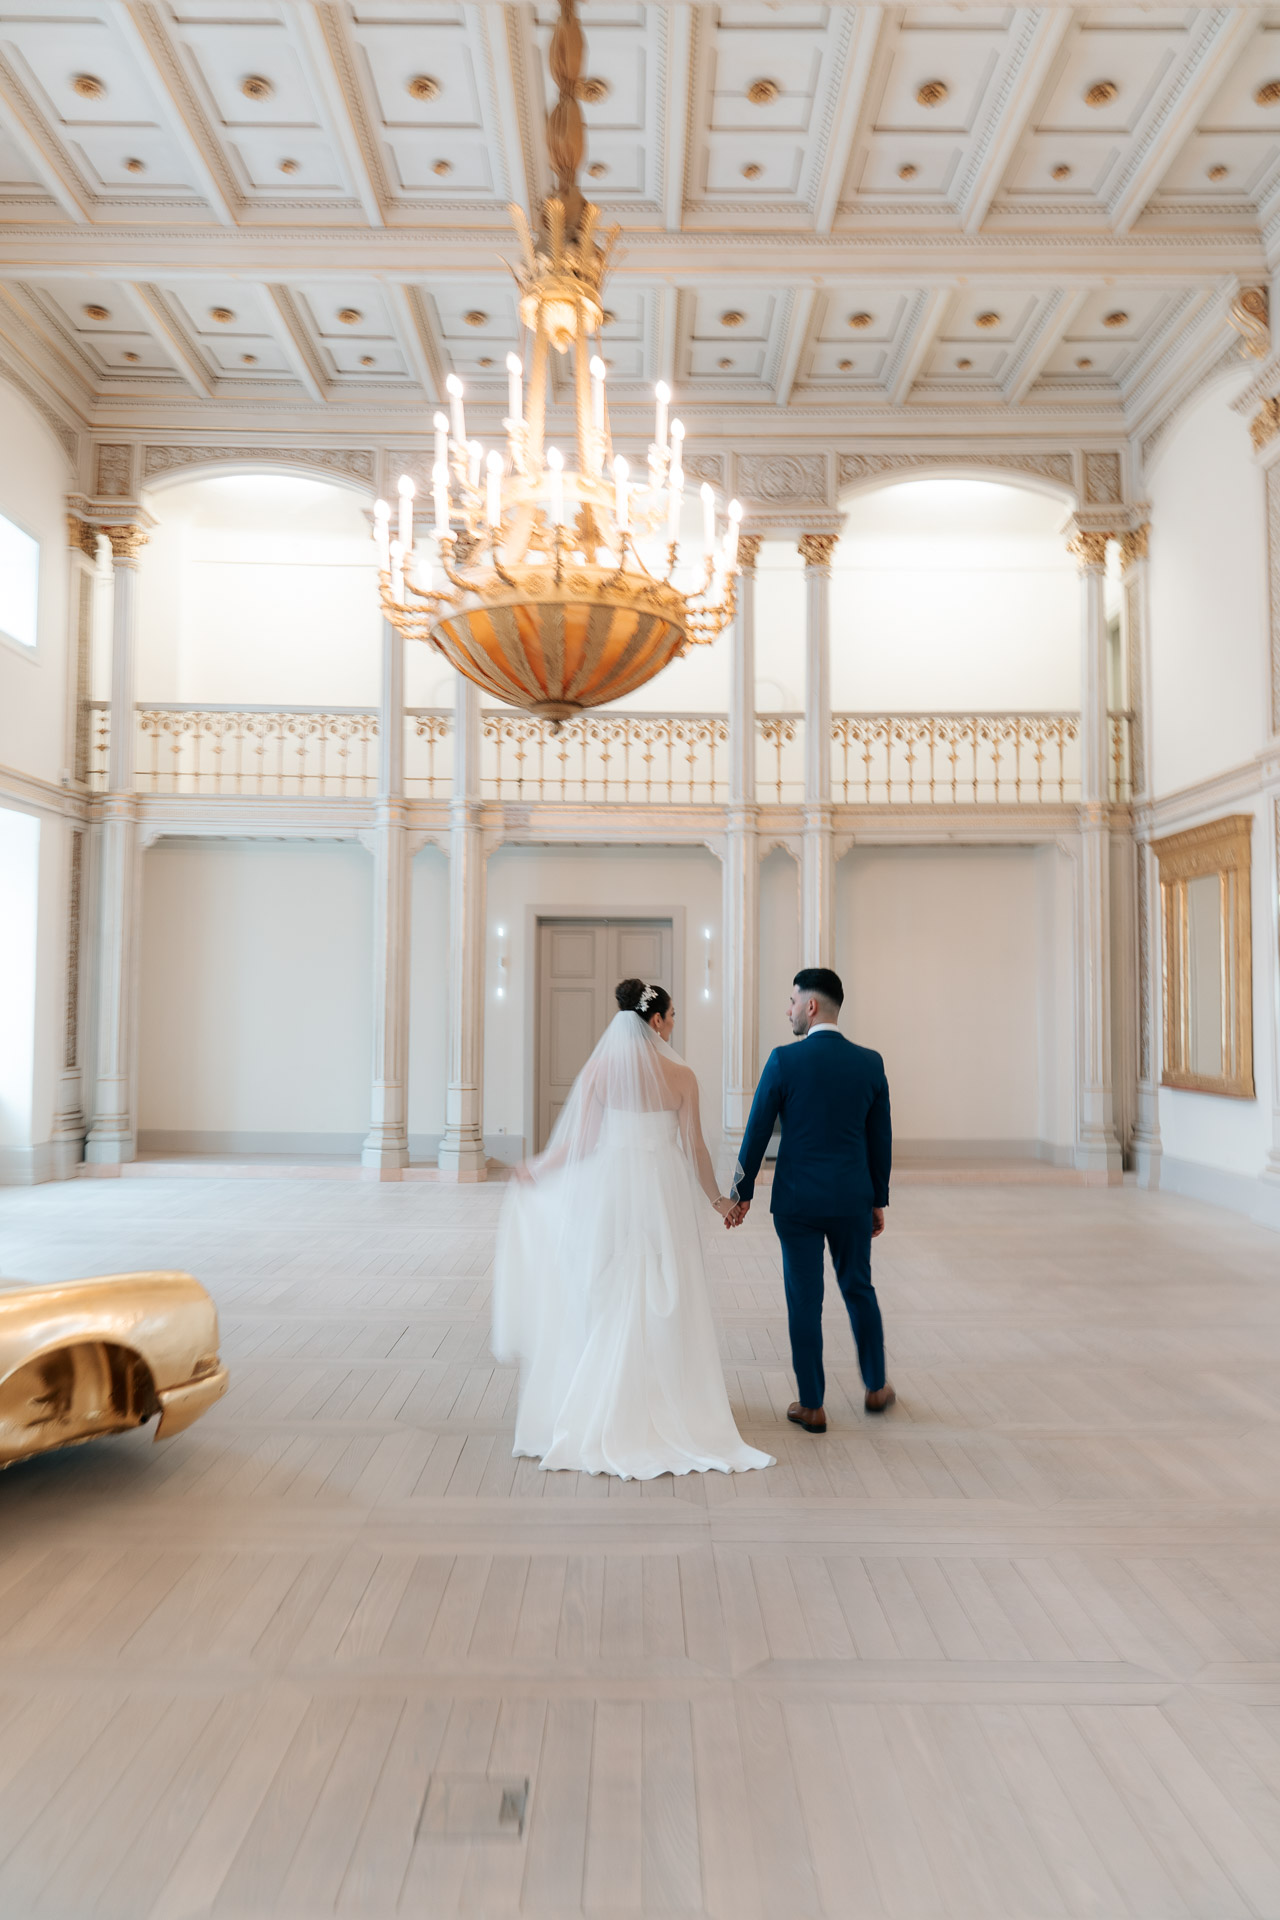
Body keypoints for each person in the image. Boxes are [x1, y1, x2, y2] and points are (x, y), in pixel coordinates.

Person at [492, 979, 773, 1481]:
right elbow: (695, 1148)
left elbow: (580, 1143)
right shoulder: (681, 1076)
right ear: (657, 1020)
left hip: (613, 1189)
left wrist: (536, 1167)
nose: (674, 1024)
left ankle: (601, 1403)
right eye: (672, 1016)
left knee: (608, 1290)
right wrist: (718, 1201)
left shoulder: (600, 1071)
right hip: (662, 1190)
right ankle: (663, 1400)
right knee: (665, 1290)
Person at [724, 967, 893, 1432]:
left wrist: (741, 1193)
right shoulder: (870, 1063)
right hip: (852, 1199)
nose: (789, 1010)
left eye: (792, 1001)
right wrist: (877, 1199)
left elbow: (757, 1130)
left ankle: (813, 1404)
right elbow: (880, 1139)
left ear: (811, 1006)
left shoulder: (784, 1060)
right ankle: (876, 1386)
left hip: (797, 1203)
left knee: (804, 1301)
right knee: (859, 1288)